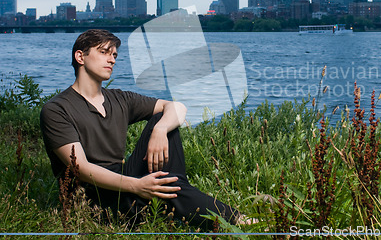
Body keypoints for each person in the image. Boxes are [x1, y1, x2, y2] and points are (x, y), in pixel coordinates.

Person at [40, 29, 240, 229]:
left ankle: (179, 196)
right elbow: (80, 168)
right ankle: (238, 220)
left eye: (114, 55)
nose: (112, 60)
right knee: (170, 185)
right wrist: (136, 185)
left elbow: (177, 107)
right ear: (80, 56)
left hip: (125, 181)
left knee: (164, 119)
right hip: (93, 200)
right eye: (103, 52)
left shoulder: (119, 98)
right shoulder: (57, 110)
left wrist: (159, 130)